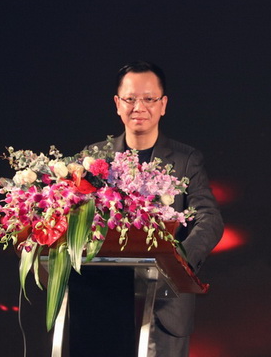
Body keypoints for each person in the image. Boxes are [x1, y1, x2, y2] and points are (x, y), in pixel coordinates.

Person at [68, 61, 224, 357]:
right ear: (117, 104)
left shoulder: (186, 159)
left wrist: (179, 261)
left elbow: (209, 218)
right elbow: (72, 212)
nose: (139, 107)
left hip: (164, 304)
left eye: (149, 99)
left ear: (163, 104)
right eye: (130, 99)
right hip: (100, 301)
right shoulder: (93, 157)